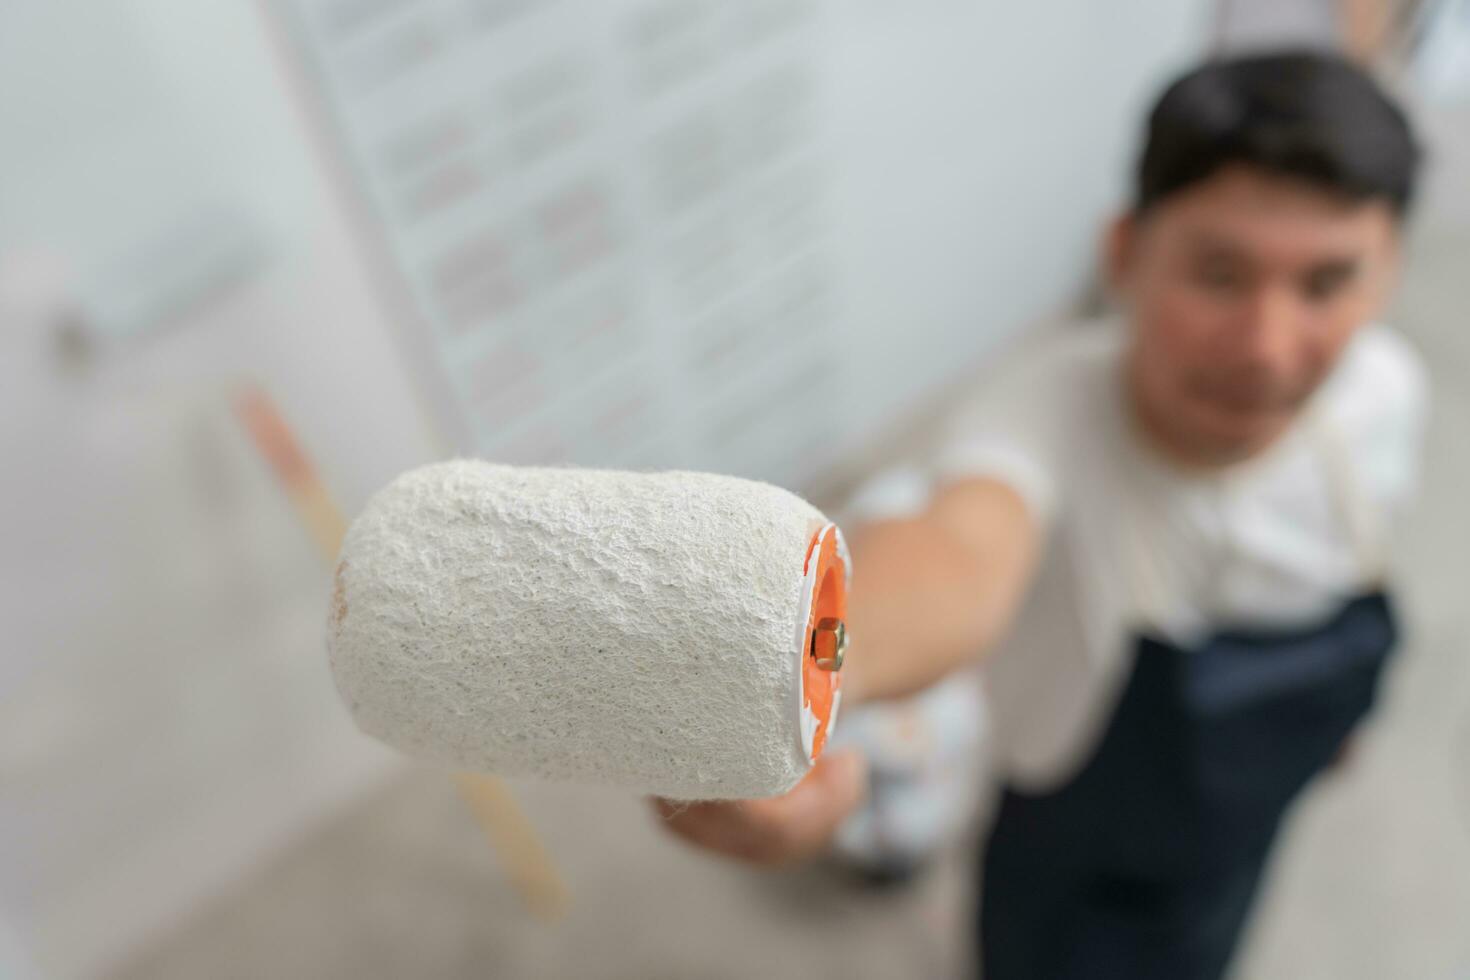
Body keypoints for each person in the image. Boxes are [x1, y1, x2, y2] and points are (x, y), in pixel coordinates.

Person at [657, 49, 1428, 979]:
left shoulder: (1386, 393)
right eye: (1219, 275)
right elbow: (955, 554)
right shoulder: (1035, 416)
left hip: (1251, 818)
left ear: (1387, 275)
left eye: (1326, 284)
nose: (1267, 350)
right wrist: (777, 684)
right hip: (1073, 840)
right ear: (1124, 255)